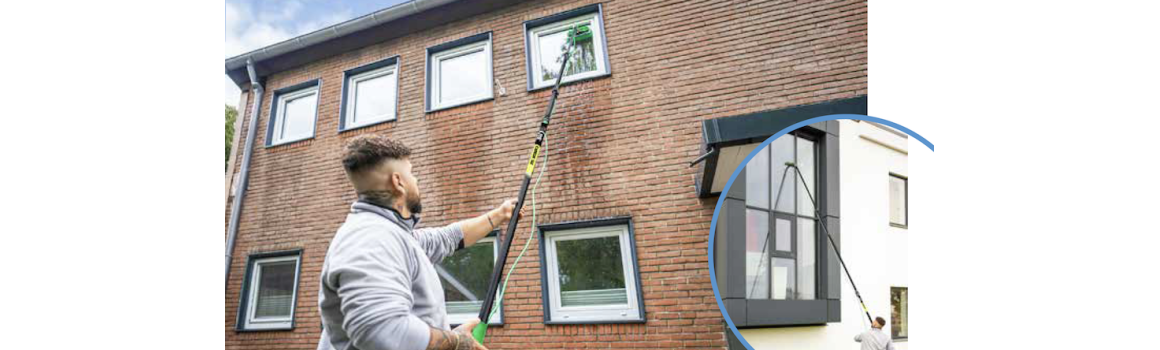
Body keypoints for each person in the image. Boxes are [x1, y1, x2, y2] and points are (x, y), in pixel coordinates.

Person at [317, 135, 519, 350]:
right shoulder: (371, 237)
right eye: (412, 173)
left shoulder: (393, 234)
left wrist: (499, 215)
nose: (417, 180)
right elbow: (381, 331)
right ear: (398, 182)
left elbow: (448, 238)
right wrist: (457, 342)